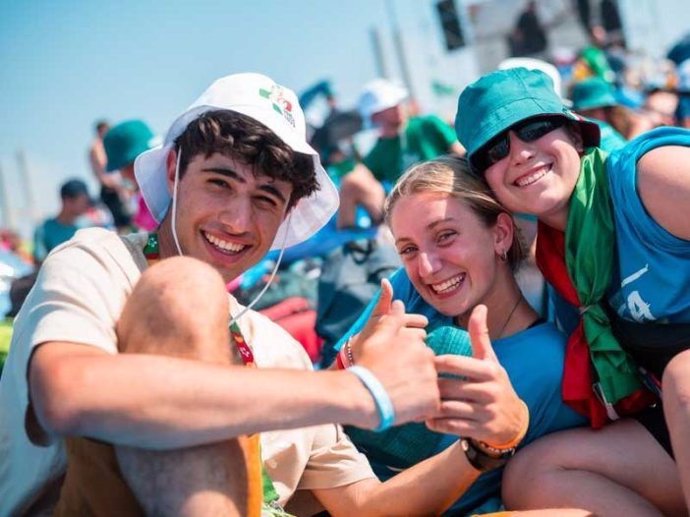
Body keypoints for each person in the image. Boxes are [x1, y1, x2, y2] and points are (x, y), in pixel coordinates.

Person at [0, 72, 520, 517]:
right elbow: (66, 391)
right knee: (183, 283)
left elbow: (364, 506)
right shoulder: (99, 260)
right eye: (220, 183)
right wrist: (364, 390)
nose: (238, 220)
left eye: (266, 199)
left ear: (287, 216)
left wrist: (485, 447)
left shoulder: (279, 351)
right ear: (174, 171)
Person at [454, 66, 690, 515]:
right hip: (676, 415)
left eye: (535, 128)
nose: (520, 153)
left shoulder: (649, 178)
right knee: (534, 473)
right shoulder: (556, 261)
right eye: (496, 149)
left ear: (578, 137)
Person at [335, 156, 586, 514]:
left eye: (445, 236)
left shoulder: (552, 366)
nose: (427, 267)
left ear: (499, 234)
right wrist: (352, 357)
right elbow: (319, 414)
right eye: (408, 249)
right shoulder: (405, 291)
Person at [358, 78, 464, 189]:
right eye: (388, 106)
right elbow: (357, 183)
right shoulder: (377, 153)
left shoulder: (429, 124)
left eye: (397, 101)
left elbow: (461, 155)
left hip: (450, 190)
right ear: (374, 116)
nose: (397, 107)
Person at [103, 119, 160, 231]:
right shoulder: (145, 198)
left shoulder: (156, 197)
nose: (123, 176)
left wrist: (147, 246)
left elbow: (155, 240)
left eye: (121, 169)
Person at [33, 178, 93, 263]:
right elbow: (40, 262)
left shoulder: (88, 226)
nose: (87, 204)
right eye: (83, 201)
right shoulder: (43, 230)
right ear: (68, 201)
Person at [88, 120, 132, 230]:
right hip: (111, 190)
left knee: (126, 222)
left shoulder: (103, 146)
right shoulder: (97, 146)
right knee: (121, 225)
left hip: (116, 188)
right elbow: (104, 172)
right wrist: (120, 188)